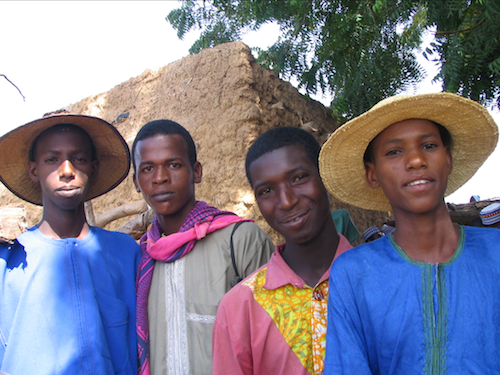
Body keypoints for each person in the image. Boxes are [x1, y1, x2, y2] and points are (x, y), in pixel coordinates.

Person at [319, 92, 500, 374]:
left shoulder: (496, 254)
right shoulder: (354, 273)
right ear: (373, 174)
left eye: (428, 145)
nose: (416, 160)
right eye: (394, 151)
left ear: (448, 159)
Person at [0, 114, 141, 374]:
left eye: (79, 159)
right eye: (52, 159)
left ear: (93, 167)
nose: (67, 171)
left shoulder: (125, 254)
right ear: (34, 170)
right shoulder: (8, 262)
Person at [132, 119, 273, 375]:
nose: (160, 178)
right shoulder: (139, 260)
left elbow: (276, 341)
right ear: (136, 182)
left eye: (173, 165)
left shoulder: (239, 241)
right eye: (148, 169)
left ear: (196, 171)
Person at [212, 127, 352, 375]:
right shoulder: (240, 307)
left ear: (325, 177)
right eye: (267, 191)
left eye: (298, 178)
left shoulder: (378, 279)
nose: (287, 201)